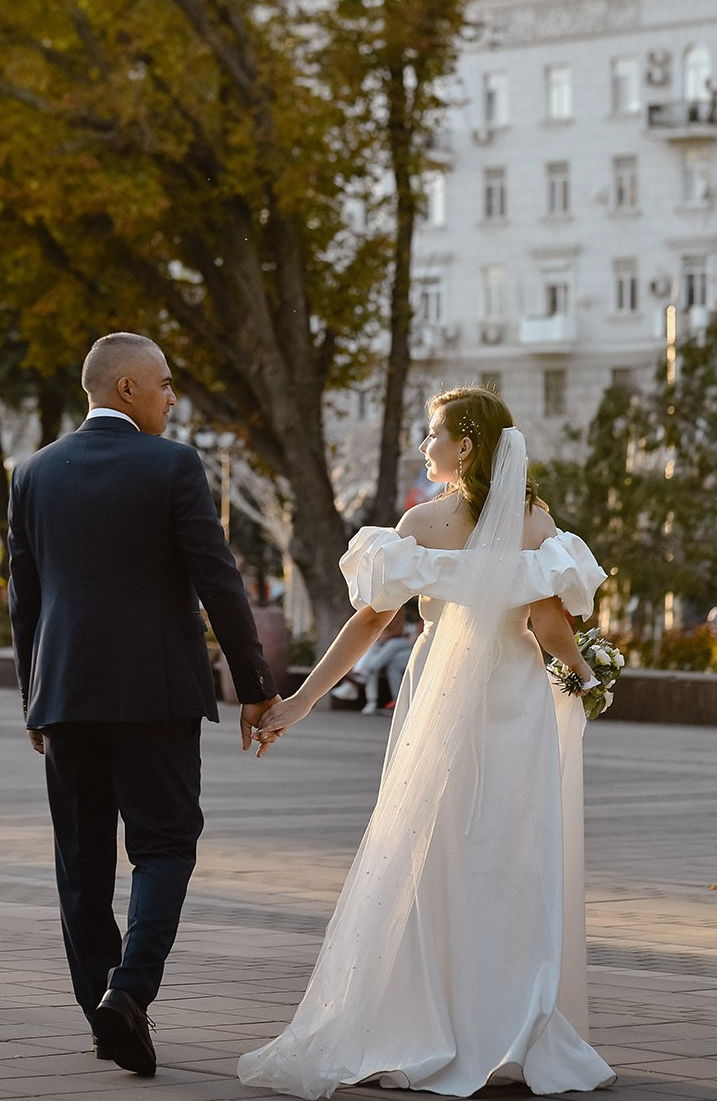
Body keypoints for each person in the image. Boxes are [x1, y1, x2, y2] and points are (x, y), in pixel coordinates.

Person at [239, 386, 616, 1098]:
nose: (424, 445)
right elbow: (549, 627)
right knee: (510, 854)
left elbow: (367, 623)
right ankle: (508, 1021)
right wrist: (588, 674)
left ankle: (425, 1015)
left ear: (465, 445)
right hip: (514, 699)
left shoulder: (419, 522)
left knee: (429, 848)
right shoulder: (535, 522)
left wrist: (301, 700)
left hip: (441, 695)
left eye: (433, 433)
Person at [7, 332, 280, 1077]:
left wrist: (35, 696)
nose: (171, 395)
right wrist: (255, 687)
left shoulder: (32, 471)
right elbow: (217, 579)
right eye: (162, 383)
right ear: (125, 388)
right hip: (157, 694)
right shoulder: (172, 465)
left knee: (81, 863)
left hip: (64, 695)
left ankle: (105, 1002)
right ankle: (126, 993)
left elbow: (23, 597)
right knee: (163, 844)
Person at [330, 606, 413, 713]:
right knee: (370, 650)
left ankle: (359, 679)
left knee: (385, 654)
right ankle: (370, 700)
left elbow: (396, 632)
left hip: (400, 643)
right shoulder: (378, 608)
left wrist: (384, 637)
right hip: (386, 646)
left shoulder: (398, 606)